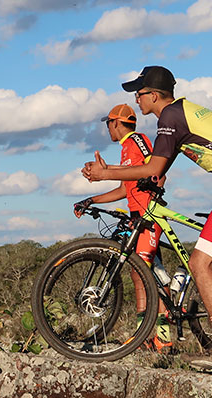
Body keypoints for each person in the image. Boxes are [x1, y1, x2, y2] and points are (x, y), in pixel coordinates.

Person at [81, 66, 212, 380]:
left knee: (200, 264)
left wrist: (106, 173)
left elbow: (154, 167)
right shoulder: (183, 113)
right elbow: (159, 168)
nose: (137, 98)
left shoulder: (170, 117)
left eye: (139, 92)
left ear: (153, 94)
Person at [74, 103, 171, 352]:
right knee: (142, 274)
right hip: (138, 216)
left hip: (149, 215)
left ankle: (162, 336)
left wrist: (153, 194)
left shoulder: (136, 140)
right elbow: (123, 189)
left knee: (143, 272)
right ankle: (145, 335)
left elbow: (155, 169)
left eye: (108, 123)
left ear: (116, 122)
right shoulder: (125, 149)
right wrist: (92, 199)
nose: (108, 128)